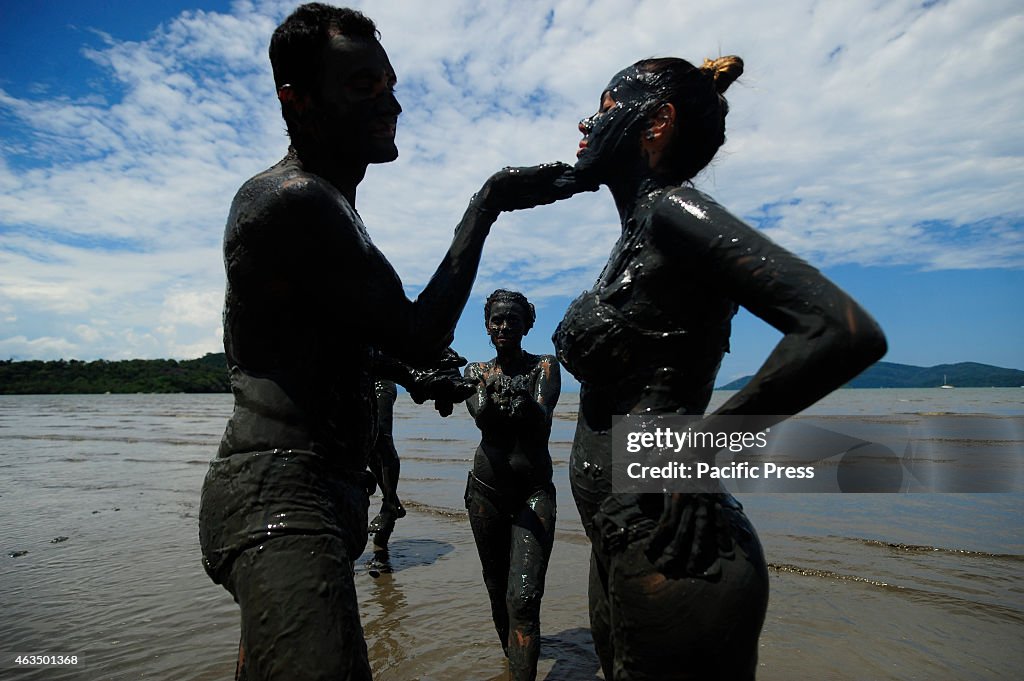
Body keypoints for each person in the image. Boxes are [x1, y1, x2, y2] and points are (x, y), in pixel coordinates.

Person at [197, 4, 582, 679]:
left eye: (391, 84)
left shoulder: (332, 209)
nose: (392, 103)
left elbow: (339, 346)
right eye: (363, 87)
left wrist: (413, 376)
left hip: (320, 497)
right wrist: (487, 202)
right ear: (299, 99)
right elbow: (417, 329)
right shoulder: (293, 199)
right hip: (280, 500)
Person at [506, 56, 887, 679]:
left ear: (656, 123)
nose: (582, 123)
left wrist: (707, 448)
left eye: (602, 108)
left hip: (675, 553)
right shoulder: (637, 237)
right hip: (624, 541)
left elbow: (843, 331)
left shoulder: (673, 213)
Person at [463, 289, 561, 681]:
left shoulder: (545, 366)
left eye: (513, 320)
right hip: (485, 492)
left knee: (523, 596)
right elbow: (483, 414)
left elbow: (541, 416)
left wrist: (520, 401)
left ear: (527, 325)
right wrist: (506, 401)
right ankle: (515, 663)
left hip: (533, 495)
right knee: (496, 587)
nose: (504, 326)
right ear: (487, 325)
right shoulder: (475, 371)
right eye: (497, 320)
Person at [366, 378, 405, 570]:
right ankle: (393, 502)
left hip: (381, 381)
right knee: (366, 446)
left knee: (382, 438)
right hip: (352, 381)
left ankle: (389, 504)